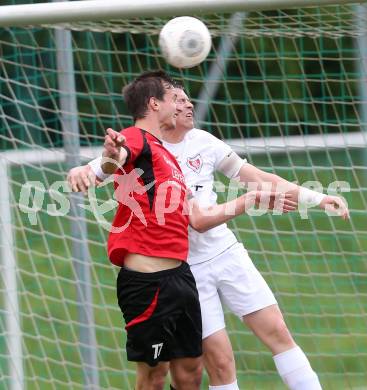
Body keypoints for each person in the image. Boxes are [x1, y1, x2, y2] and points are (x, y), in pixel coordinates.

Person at [69, 84, 348, 390]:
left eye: (189, 99)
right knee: (218, 363)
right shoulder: (145, 144)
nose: (187, 105)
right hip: (187, 269)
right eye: (178, 99)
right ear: (158, 106)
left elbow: (258, 178)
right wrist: (84, 170)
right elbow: (110, 160)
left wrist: (316, 198)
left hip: (225, 252)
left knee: (277, 332)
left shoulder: (203, 143)